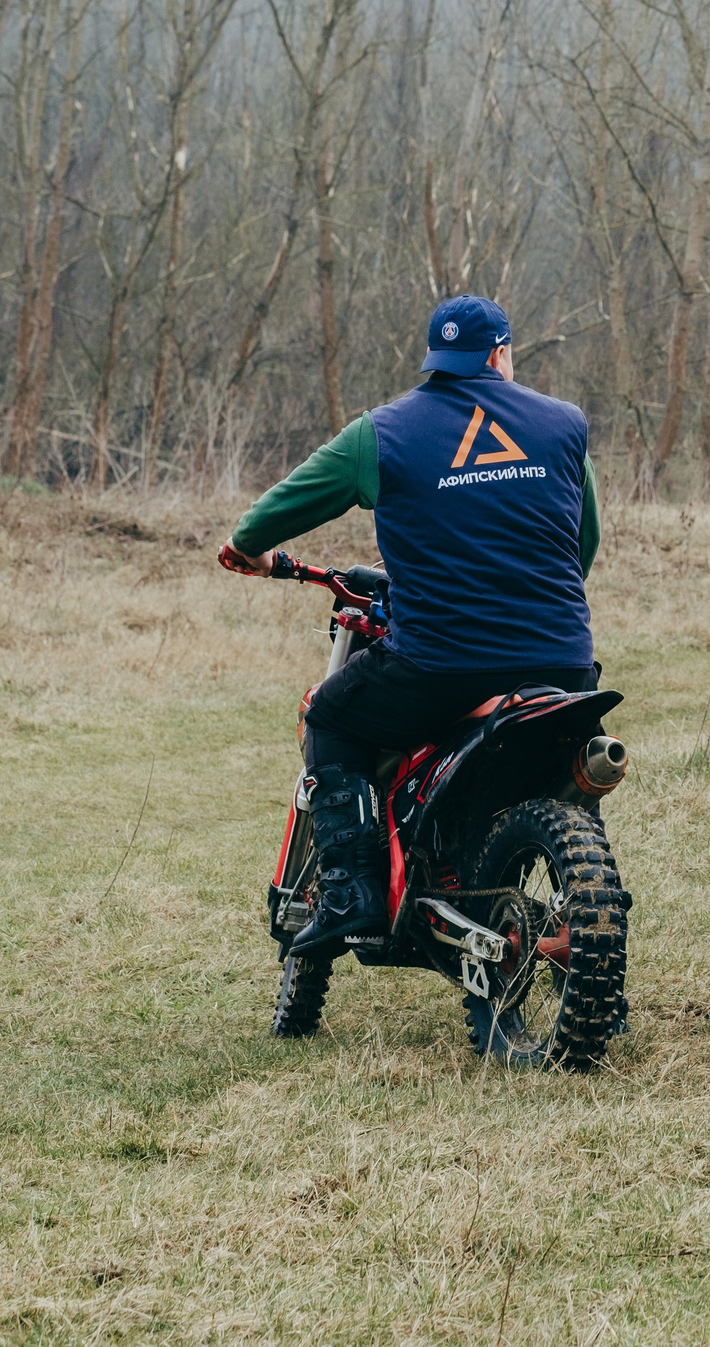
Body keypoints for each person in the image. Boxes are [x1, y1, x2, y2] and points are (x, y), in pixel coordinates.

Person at [219, 295, 602, 961]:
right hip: (565, 662)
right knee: (574, 780)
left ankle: (351, 891)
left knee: (333, 719)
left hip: (442, 665)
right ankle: (595, 942)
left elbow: (266, 519)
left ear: (435, 361)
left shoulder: (384, 432)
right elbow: (583, 544)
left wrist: (246, 547)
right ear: (500, 354)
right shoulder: (565, 426)